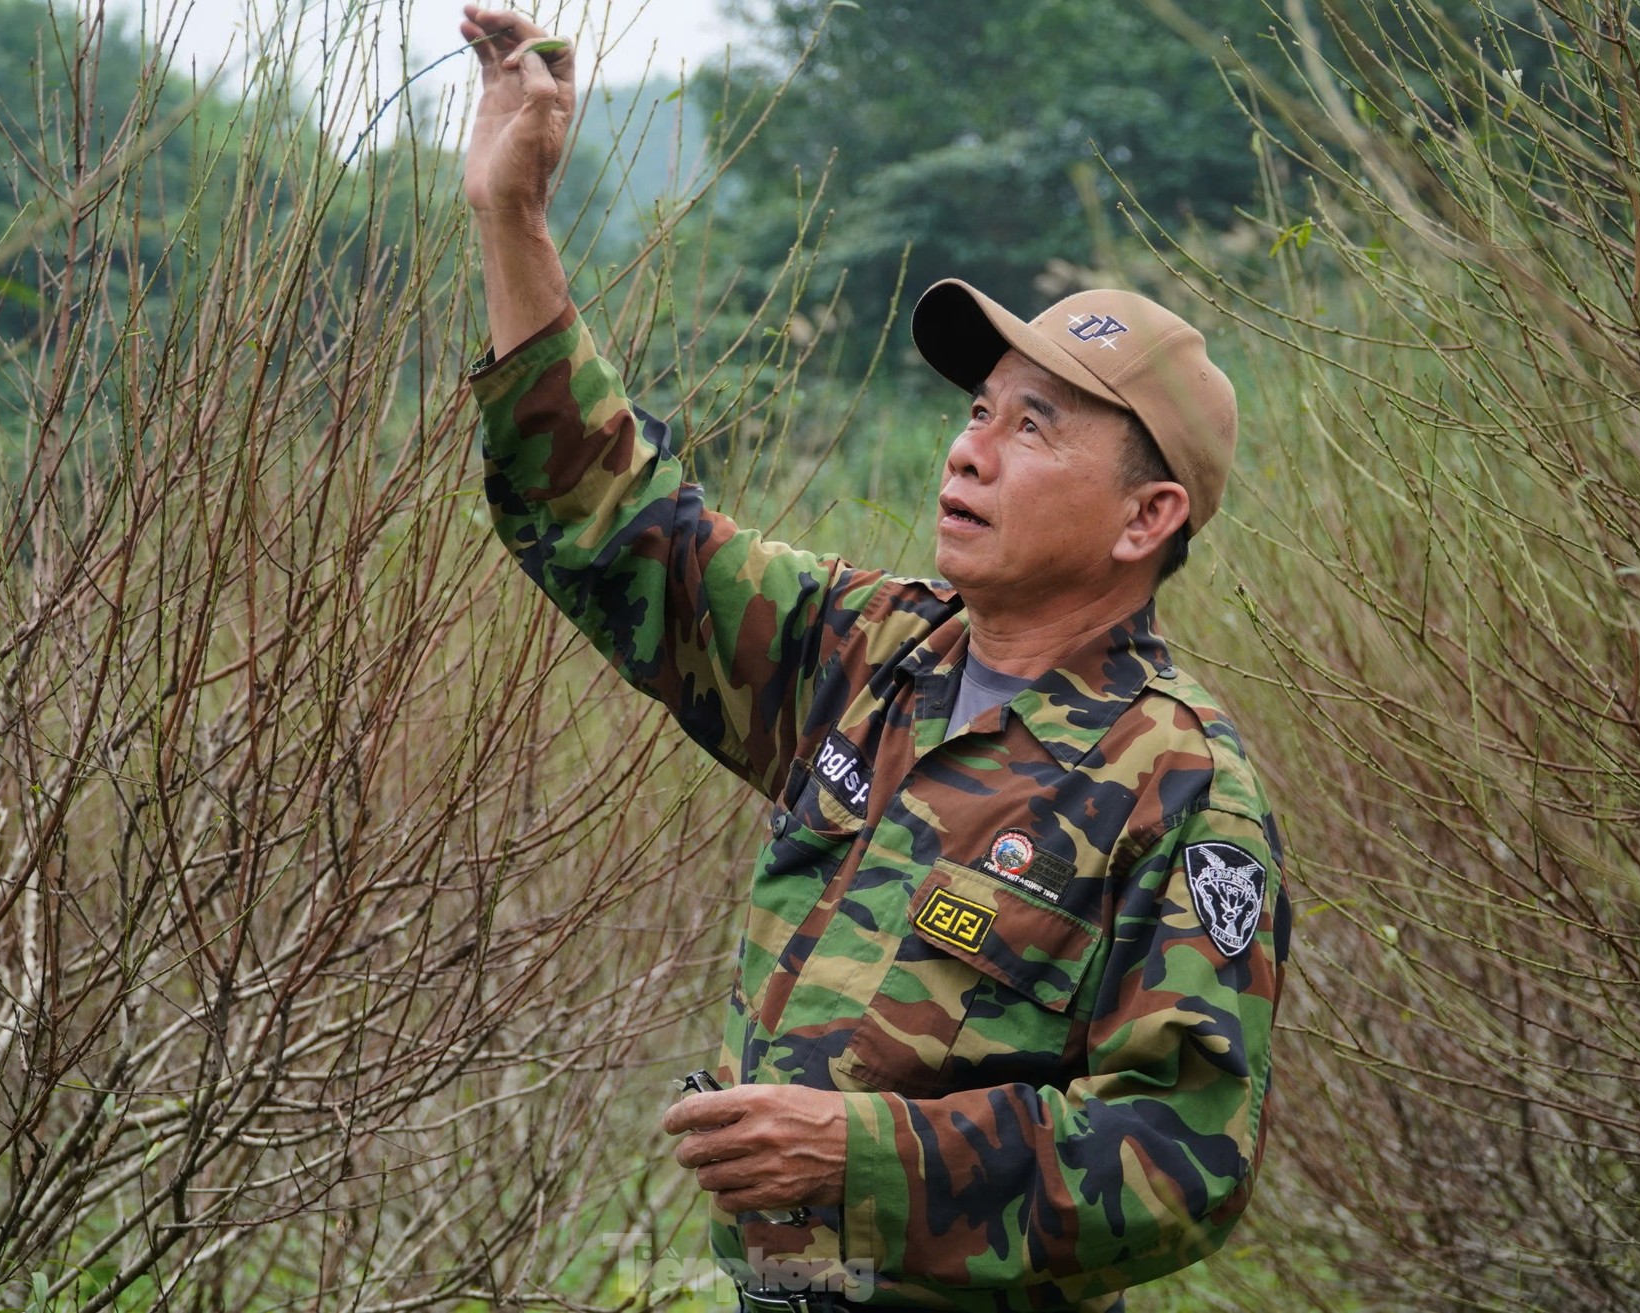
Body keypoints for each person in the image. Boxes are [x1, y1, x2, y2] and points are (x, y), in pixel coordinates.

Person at [457, 8, 1291, 1310]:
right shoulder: (868, 653)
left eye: (1035, 427)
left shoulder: (1176, 786)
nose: (969, 450)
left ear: (1146, 517)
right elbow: (612, 529)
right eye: (973, 413)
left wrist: (862, 1153)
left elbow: (1183, 1162)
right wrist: (515, 224)